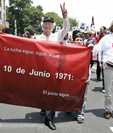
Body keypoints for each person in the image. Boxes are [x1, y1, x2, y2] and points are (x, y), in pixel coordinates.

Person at [36, 2, 70, 130]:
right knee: (43, 93)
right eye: (45, 24)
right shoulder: (37, 38)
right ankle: (44, 107)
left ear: (52, 26)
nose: (47, 26)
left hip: (55, 69)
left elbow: (66, 29)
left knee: (53, 93)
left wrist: (65, 16)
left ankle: (49, 118)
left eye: (50, 24)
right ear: (42, 26)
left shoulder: (57, 36)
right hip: (41, 70)